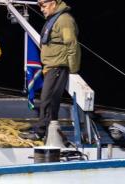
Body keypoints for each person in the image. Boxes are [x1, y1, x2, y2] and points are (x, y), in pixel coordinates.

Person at [28, 0, 80, 140]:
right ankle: (46, 130)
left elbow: (72, 45)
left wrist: (73, 69)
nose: (41, 9)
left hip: (58, 66)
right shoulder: (54, 18)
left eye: (44, 6)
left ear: (53, 3)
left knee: (48, 100)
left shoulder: (64, 20)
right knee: (47, 99)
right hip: (50, 66)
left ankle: (40, 132)